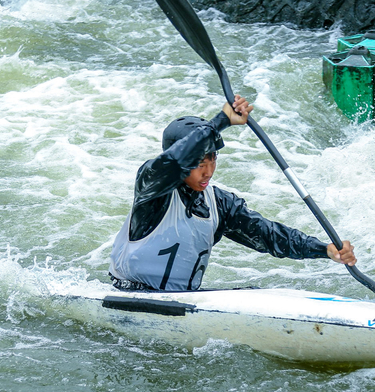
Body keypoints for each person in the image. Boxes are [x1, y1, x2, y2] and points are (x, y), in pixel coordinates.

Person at [108, 96, 357, 292]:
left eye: (212, 160)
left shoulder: (219, 205)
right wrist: (221, 120)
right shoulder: (152, 191)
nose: (207, 172)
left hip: (183, 299)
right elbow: (172, 161)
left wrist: (323, 250)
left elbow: (268, 235)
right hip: (129, 292)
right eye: (198, 164)